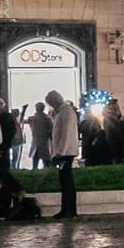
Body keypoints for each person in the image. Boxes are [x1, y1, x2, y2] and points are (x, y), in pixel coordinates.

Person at [38, 86, 83, 219]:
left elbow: (66, 134)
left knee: (66, 181)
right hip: (63, 151)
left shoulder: (66, 112)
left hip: (65, 152)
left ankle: (68, 210)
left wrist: (60, 153)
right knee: (65, 180)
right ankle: (68, 209)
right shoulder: (62, 112)